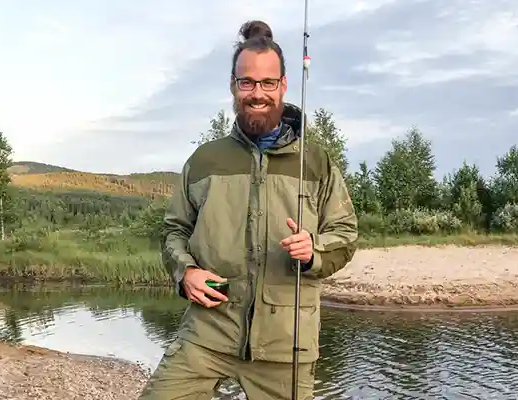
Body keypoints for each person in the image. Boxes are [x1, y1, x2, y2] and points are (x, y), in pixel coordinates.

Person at [138, 20, 358, 400]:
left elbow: (346, 235)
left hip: (286, 346)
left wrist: (314, 251)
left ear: (284, 86)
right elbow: (174, 230)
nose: (258, 94)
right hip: (208, 333)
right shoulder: (205, 160)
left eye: (268, 83)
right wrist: (185, 271)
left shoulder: (316, 163)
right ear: (233, 87)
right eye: (248, 83)